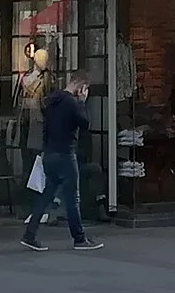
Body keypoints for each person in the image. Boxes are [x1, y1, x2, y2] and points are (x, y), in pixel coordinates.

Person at [22, 73, 104, 253]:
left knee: (46, 194)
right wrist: (82, 102)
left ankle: (30, 234)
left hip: (50, 153)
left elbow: (47, 127)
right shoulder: (72, 103)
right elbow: (85, 123)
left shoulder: (52, 101)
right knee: (73, 198)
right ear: (81, 87)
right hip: (66, 153)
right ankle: (79, 238)